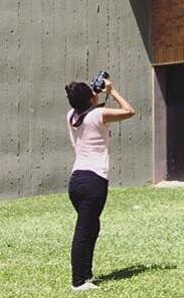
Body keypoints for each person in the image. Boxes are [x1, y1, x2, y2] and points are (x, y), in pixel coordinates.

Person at [64, 78, 135, 291]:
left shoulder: (72, 116)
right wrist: (111, 91)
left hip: (76, 180)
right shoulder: (97, 114)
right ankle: (78, 281)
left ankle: (86, 275)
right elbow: (129, 110)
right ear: (90, 98)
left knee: (92, 227)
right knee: (85, 230)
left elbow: (84, 107)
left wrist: (92, 94)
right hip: (93, 181)